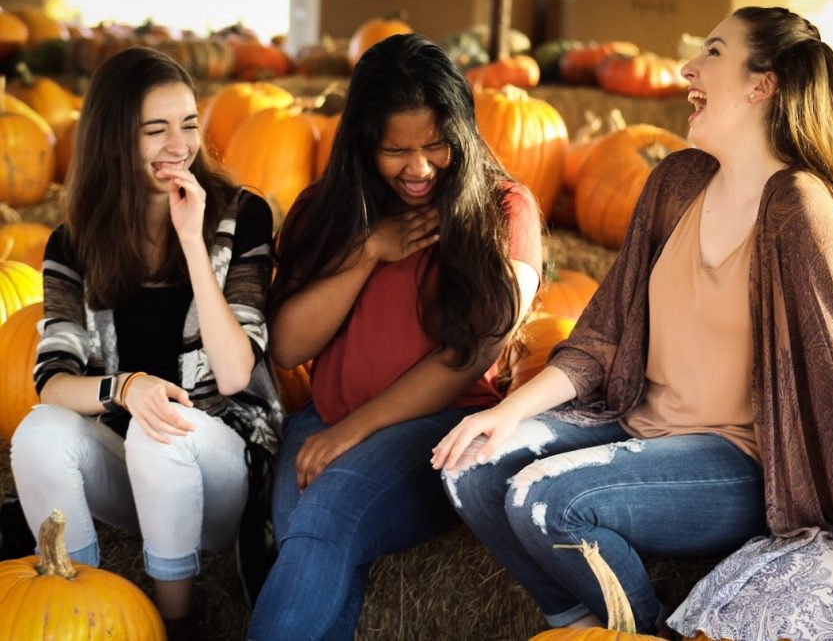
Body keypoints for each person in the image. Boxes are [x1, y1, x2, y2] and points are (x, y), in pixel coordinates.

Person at [432, 6, 833, 638]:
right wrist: (508, 412)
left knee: (544, 502)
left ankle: (644, 633)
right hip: (635, 424)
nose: (688, 67)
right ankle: (581, 625)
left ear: (762, 85)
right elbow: (601, 335)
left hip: (736, 462)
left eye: (712, 52)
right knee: (471, 467)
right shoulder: (675, 182)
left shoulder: (799, 208)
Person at [247, 33, 542, 640]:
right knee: (302, 534)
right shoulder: (325, 211)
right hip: (325, 418)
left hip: (437, 433)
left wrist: (354, 431)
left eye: (437, 145)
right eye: (395, 150)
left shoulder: (505, 210)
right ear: (362, 143)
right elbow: (287, 348)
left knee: (323, 519)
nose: (419, 167)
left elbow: (473, 354)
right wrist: (365, 254)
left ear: (462, 133)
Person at [10, 47, 282, 636]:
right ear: (113, 142)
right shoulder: (73, 243)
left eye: (188, 124)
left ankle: (174, 623)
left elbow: (235, 373)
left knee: (161, 432)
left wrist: (191, 240)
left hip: (220, 467)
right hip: (132, 468)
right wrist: (126, 387)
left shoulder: (242, 215)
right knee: (38, 433)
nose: (179, 146)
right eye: (155, 130)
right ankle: (77, 610)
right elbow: (50, 382)